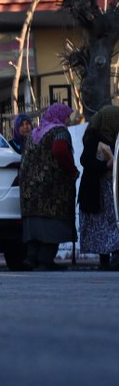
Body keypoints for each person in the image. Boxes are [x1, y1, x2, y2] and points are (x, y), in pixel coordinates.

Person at [19, 102, 78, 270]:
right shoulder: (59, 132)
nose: (67, 120)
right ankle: (45, 260)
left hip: (29, 188)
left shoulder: (34, 132)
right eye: (66, 116)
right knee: (52, 222)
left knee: (35, 223)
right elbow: (59, 150)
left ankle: (31, 258)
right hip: (52, 187)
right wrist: (72, 170)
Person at [78, 104, 119, 268]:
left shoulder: (113, 137)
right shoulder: (94, 138)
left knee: (109, 223)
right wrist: (106, 165)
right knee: (105, 223)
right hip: (98, 190)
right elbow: (85, 161)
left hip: (108, 190)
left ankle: (110, 258)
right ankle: (108, 259)